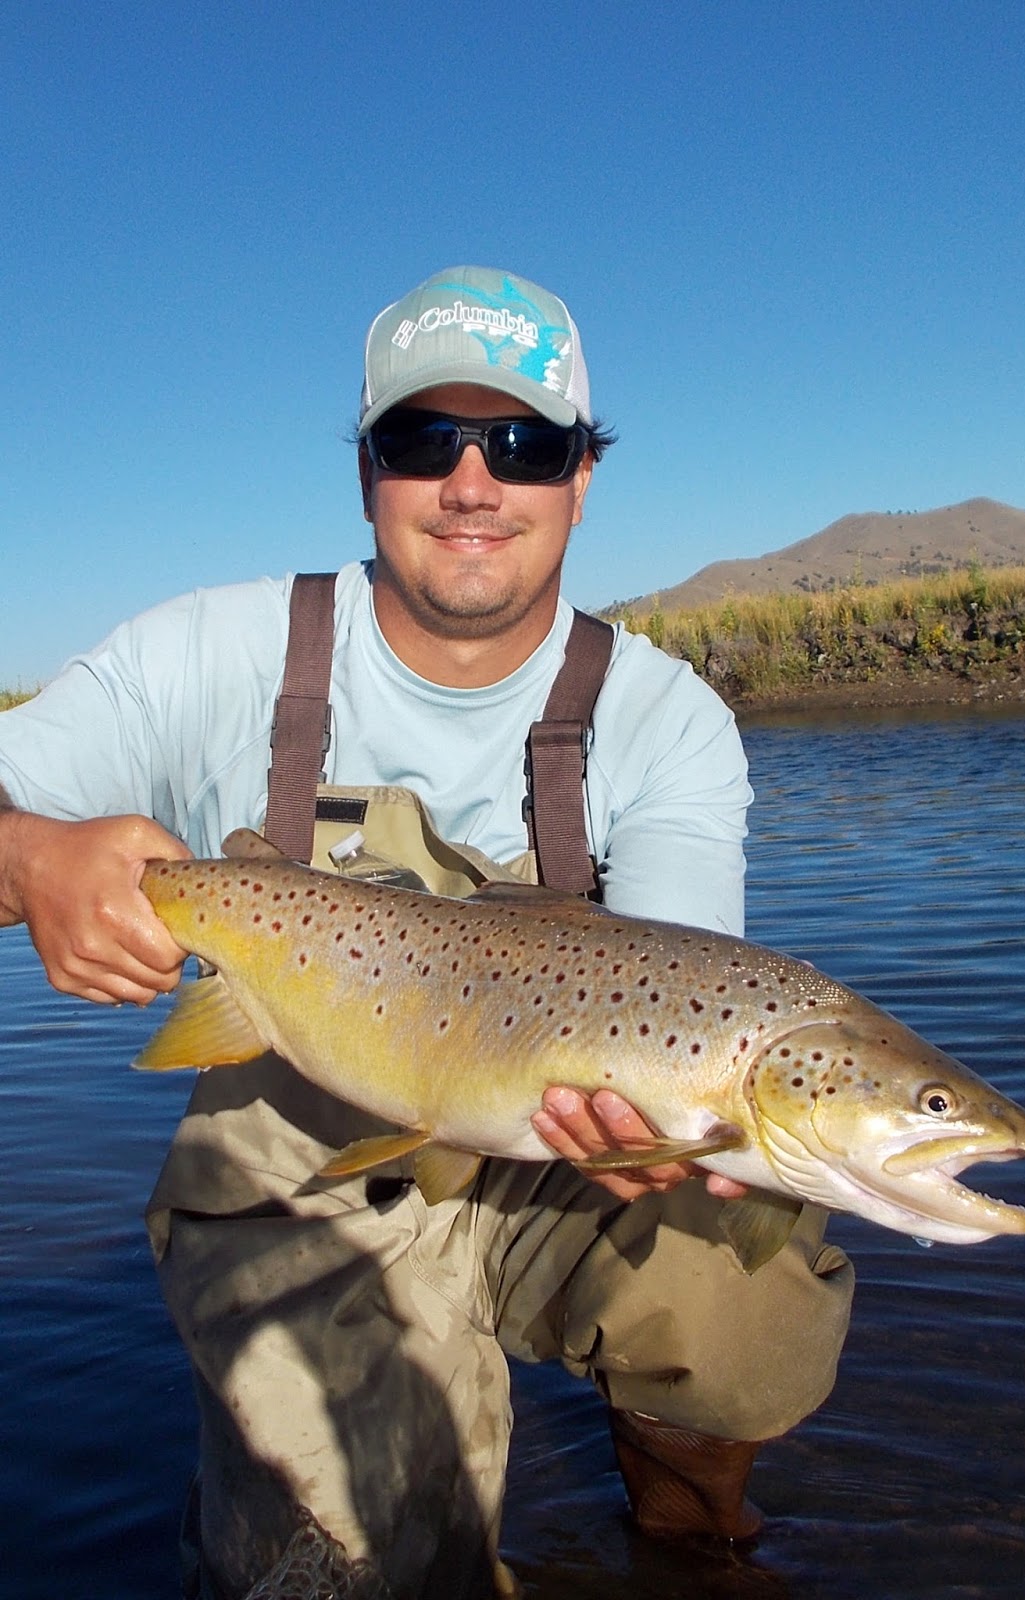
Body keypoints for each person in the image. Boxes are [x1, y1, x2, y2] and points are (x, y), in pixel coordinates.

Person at [0, 267, 854, 1600]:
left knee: (742, 1262)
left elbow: (690, 983)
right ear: (366, 475)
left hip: (563, 1140)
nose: (470, 482)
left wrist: (676, 1130)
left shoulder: (662, 718)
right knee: (339, 1569)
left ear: (579, 480)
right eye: (421, 440)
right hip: (312, 1138)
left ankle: (690, 1551)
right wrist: (29, 854)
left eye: (521, 444)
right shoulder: (204, 656)